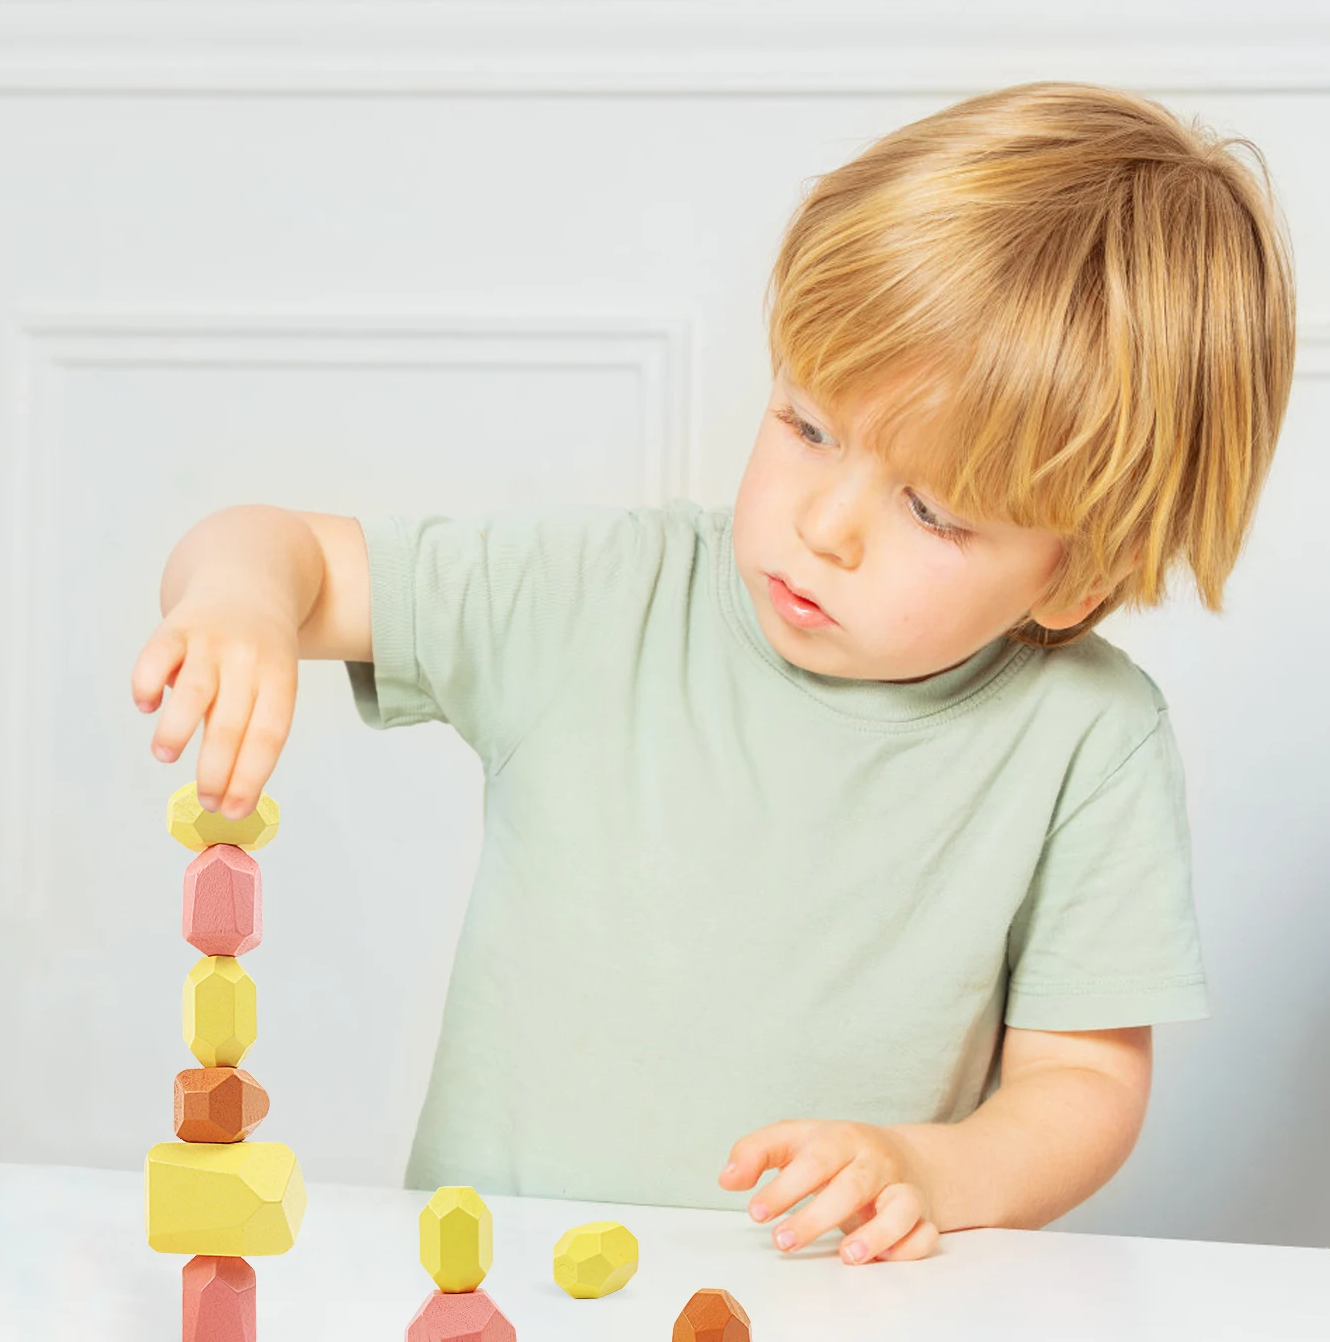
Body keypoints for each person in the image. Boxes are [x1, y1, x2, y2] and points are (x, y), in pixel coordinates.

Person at [131, 81, 1296, 1266]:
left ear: (1073, 580)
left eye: (934, 511)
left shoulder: (1088, 742)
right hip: (494, 1306)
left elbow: (1083, 1085)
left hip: (838, 1332)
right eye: (806, 427)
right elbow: (277, 549)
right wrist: (239, 601)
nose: (827, 526)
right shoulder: (604, 596)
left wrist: (930, 1171)